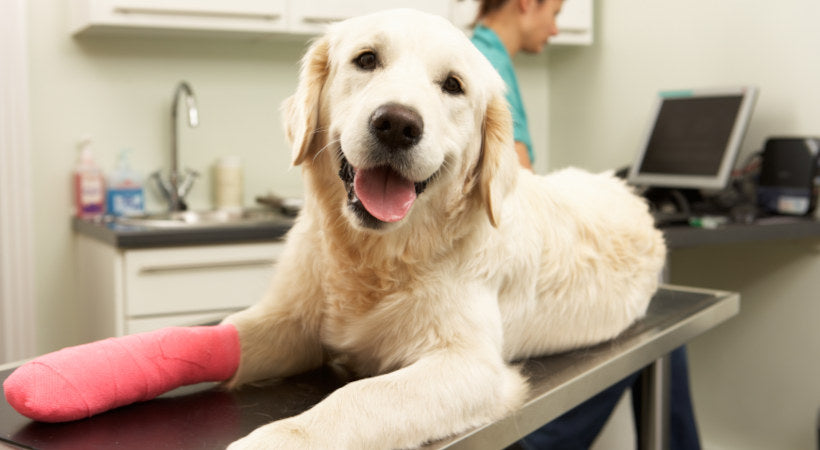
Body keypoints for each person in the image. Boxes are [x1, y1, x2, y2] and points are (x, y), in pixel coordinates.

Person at [471, 2, 701, 449]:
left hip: (491, 276)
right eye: (553, 11)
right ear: (525, 4)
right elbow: (516, 194)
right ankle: (536, 441)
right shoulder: (487, 68)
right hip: (490, 286)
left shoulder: (479, 56)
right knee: (653, 321)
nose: (556, 28)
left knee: (653, 318)